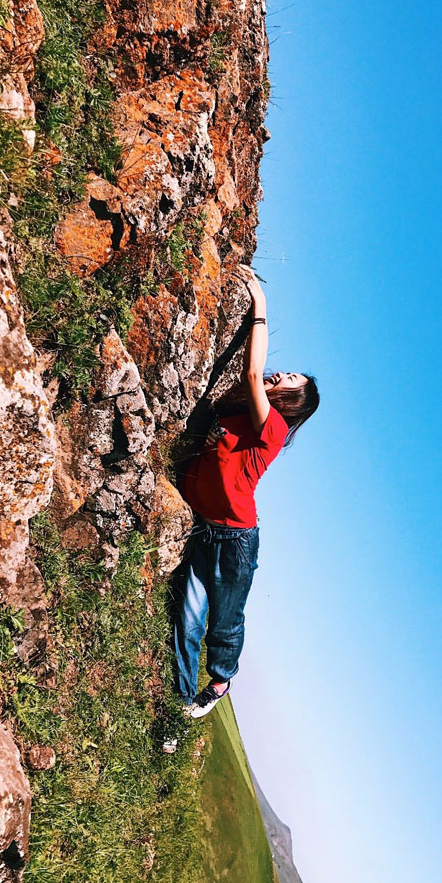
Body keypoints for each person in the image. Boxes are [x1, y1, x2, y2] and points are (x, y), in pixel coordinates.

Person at [162, 264, 319, 751]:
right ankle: (186, 700)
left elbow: (252, 370)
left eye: (288, 380)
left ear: (290, 402)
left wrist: (260, 307)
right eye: (285, 372)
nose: (278, 375)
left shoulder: (273, 429)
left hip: (234, 539)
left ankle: (221, 680)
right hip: (204, 529)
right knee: (187, 619)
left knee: (225, 619)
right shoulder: (237, 415)